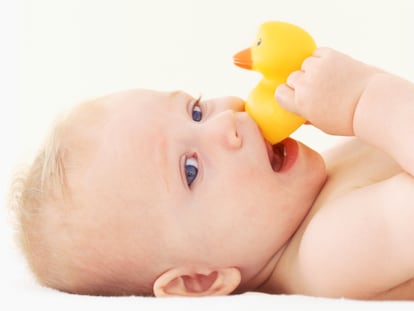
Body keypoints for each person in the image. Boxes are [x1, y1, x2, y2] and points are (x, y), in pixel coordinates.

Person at [11, 48, 414, 300]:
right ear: (200, 281)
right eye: (191, 169)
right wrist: (363, 100)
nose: (227, 123)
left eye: (197, 111)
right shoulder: (328, 252)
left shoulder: (306, 199)